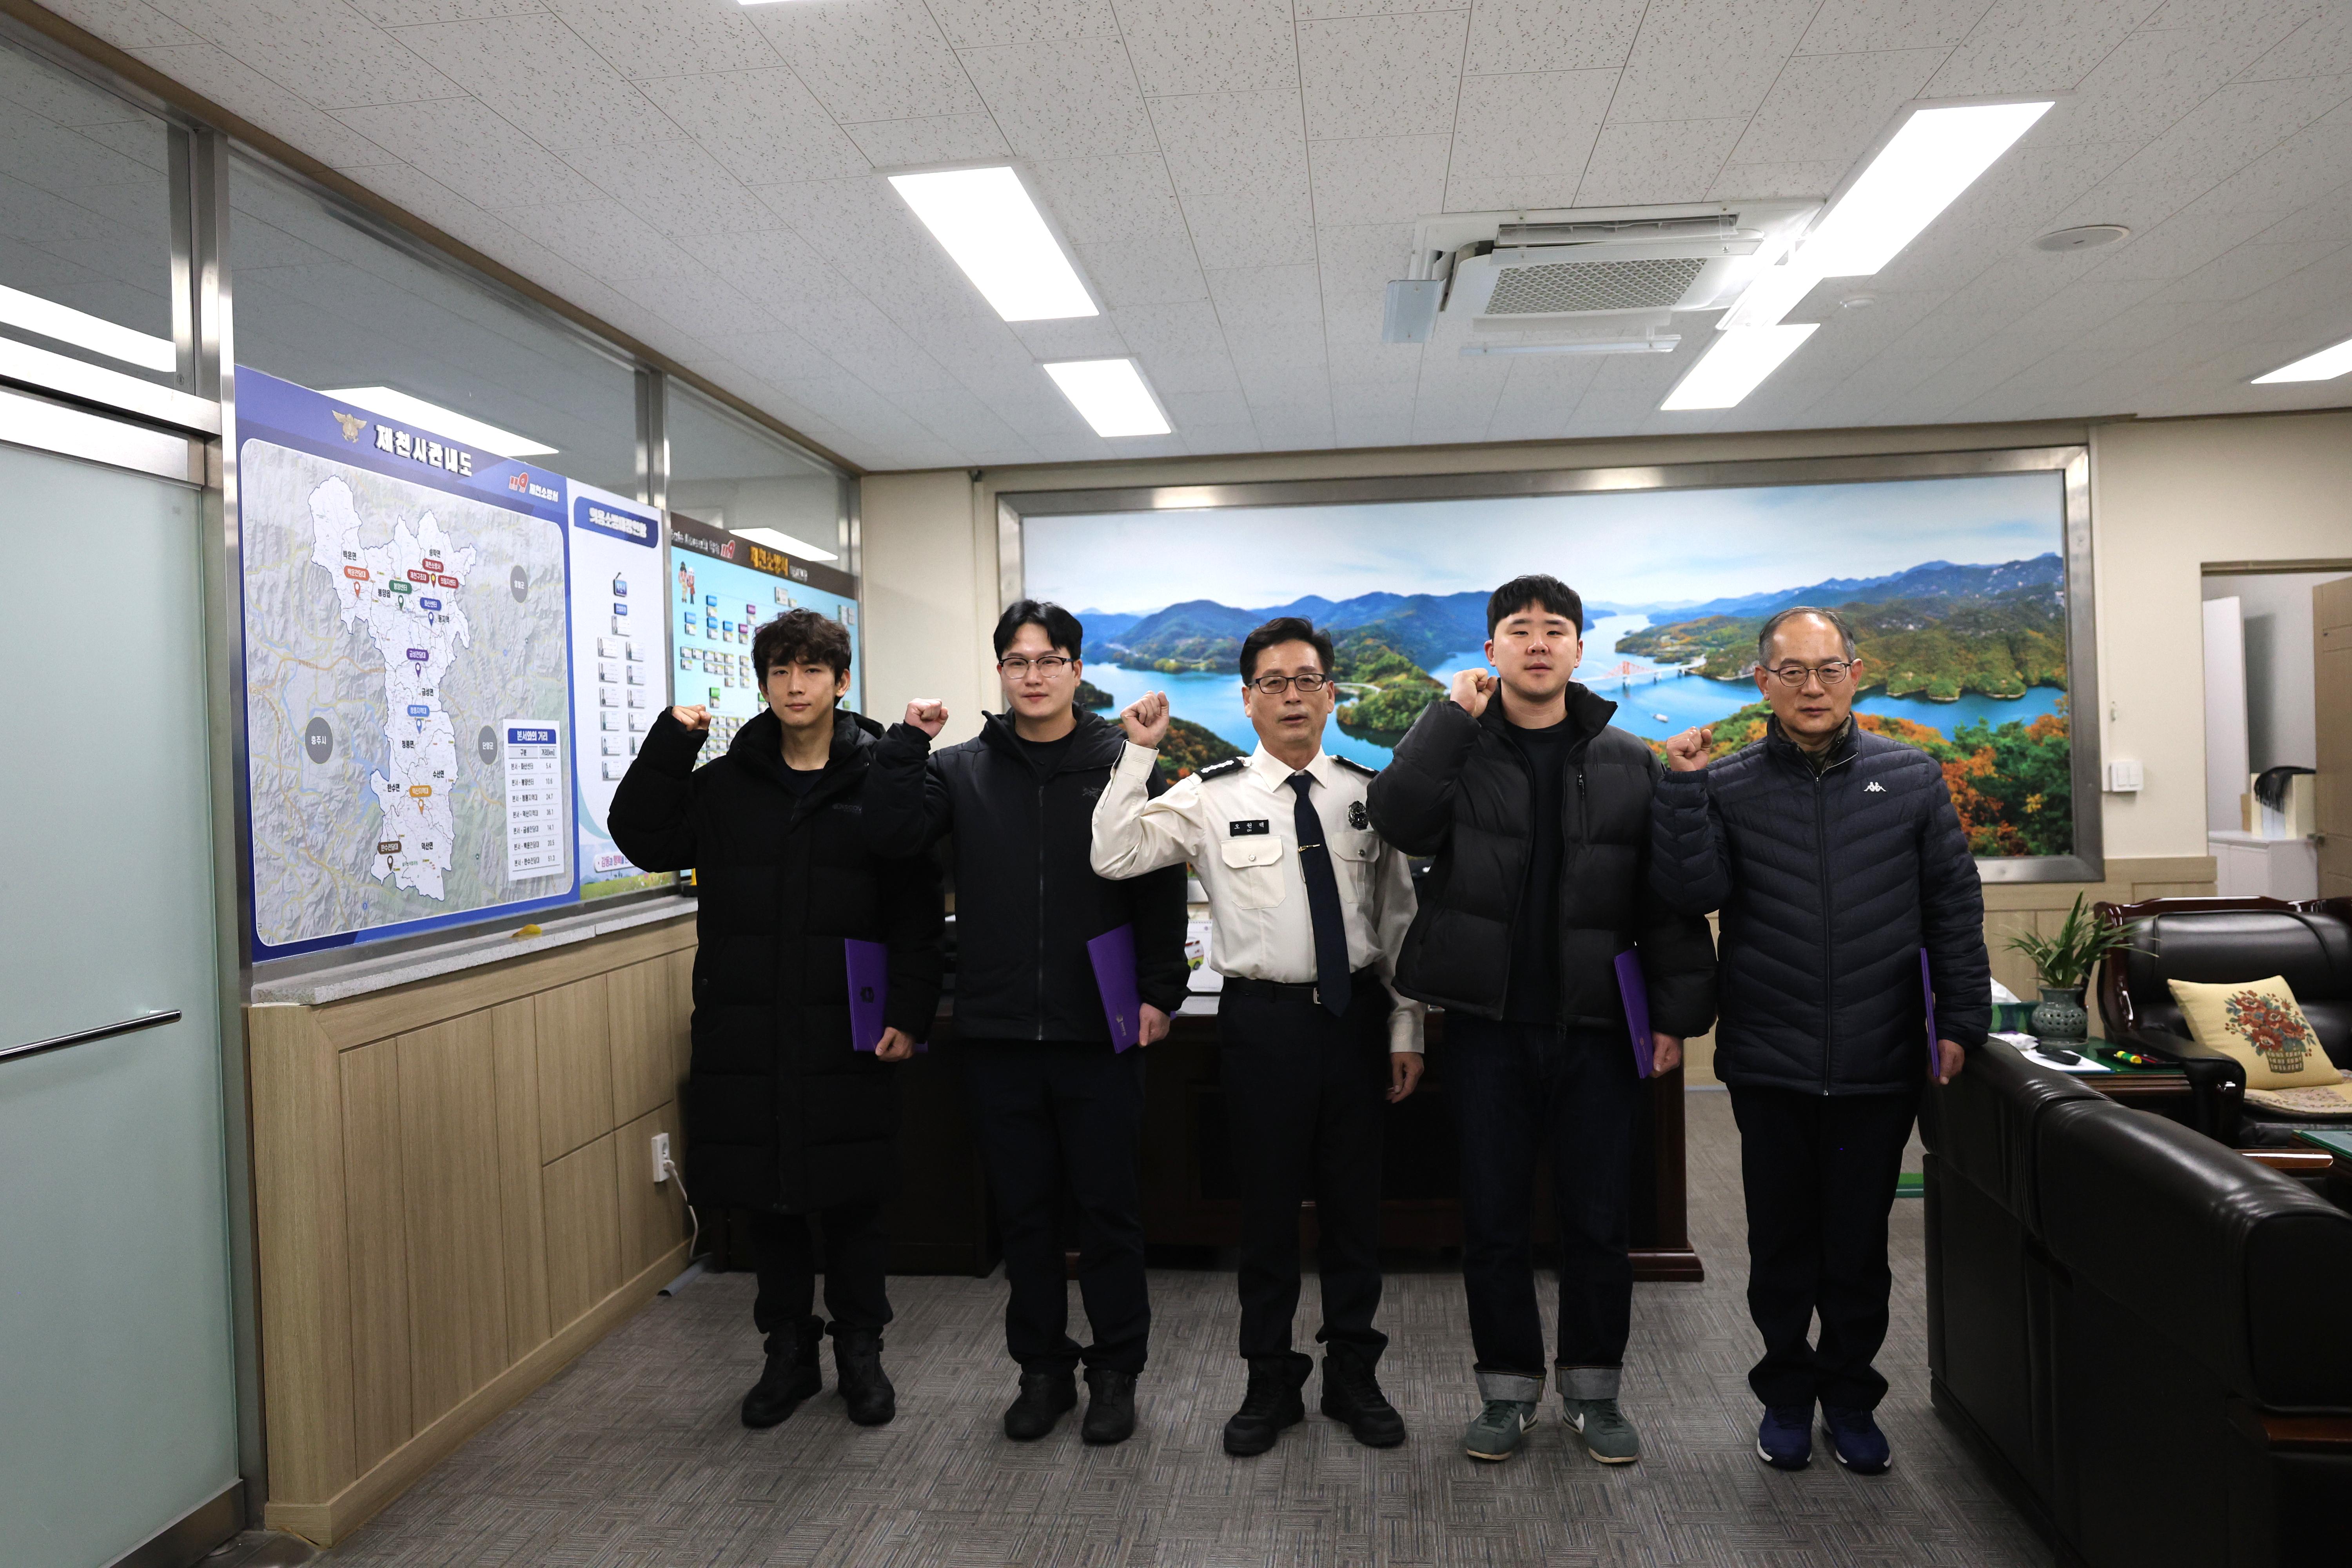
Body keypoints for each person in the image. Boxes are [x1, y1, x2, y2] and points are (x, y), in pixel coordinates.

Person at [1367, 574, 1715, 1468]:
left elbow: (1663, 903)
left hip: (1597, 1028)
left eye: (1554, 629)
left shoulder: (1628, 759)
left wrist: (1672, 1016)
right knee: (1493, 1218)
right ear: (1491, 651)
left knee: (1598, 1219)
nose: (1537, 643)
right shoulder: (1460, 748)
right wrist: (1451, 716)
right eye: (1518, 630)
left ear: (1578, 648)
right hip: (1487, 1026)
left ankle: (1594, 1393)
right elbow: (1399, 820)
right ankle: (1507, 1391)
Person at [1650, 605, 1989, 1476]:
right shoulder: (1727, 782)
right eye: (1793, 671)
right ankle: (1785, 1395)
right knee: (1780, 1246)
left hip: (1881, 1057)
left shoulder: (1912, 777)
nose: (1813, 687)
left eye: (1829, 669)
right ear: (1763, 680)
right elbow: (1691, 892)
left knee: (1857, 1245)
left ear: (1856, 674)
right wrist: (1682, 790)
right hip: (1770, 1056)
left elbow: (1953, 907)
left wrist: (1958, 1019)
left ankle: (1850, 1396)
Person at [1091, 616, 1425, 1458]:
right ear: (1247, 700)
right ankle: (1269, 1377)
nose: (1292, 696)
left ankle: (1354, 1371)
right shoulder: (1210, 794)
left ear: (1331, 694)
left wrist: (1406, 1022)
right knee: (1268, 1212)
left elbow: (1397, 919)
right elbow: (1115, 855)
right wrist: (1137, 756)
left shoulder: (1368, 793)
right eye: (1273, 682)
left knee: (1354, 1211)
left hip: (1355, 1019)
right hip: (1263, 1023)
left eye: (1307, 679)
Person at [862, 600, 1189, 1446]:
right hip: (998, 1032)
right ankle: (1042, 1371)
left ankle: (1115, 1371)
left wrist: (1161, 990)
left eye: (1049, 660)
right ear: (1001, 671)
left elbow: (1159, 885)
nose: (1033, 676)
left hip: (1100, 1027)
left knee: (1109, 1213)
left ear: (1077, 670)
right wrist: (905, 746)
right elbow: (891, 837)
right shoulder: (960, 768)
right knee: (1026, 1217)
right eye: (1017, 661)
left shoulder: (1124, 762)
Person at [607, 608, 942, 1432]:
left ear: (841, 681)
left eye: (812, 670)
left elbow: (916, 911)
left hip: (850, 1026)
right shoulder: (726, 782)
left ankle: (861, 1352)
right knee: (769, 1200)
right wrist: (672, 743)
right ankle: (787, 1352)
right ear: (762, 683)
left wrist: (910, 1011)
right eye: (781, 671)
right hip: (748, 1027)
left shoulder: (883, 779)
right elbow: (643, 837)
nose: (796, 686)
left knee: (855, 1199)